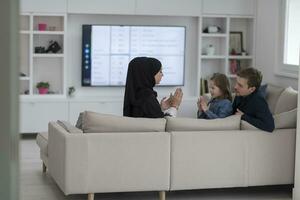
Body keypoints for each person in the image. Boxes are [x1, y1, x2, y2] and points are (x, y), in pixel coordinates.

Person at [232, 68, 274, 132]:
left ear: (252, 89)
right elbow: (233, 111)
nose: (235, 87)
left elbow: (269, 126)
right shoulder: (240, 94)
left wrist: (243, 116)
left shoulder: (258, 101)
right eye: (237, 83)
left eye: (240, 85)